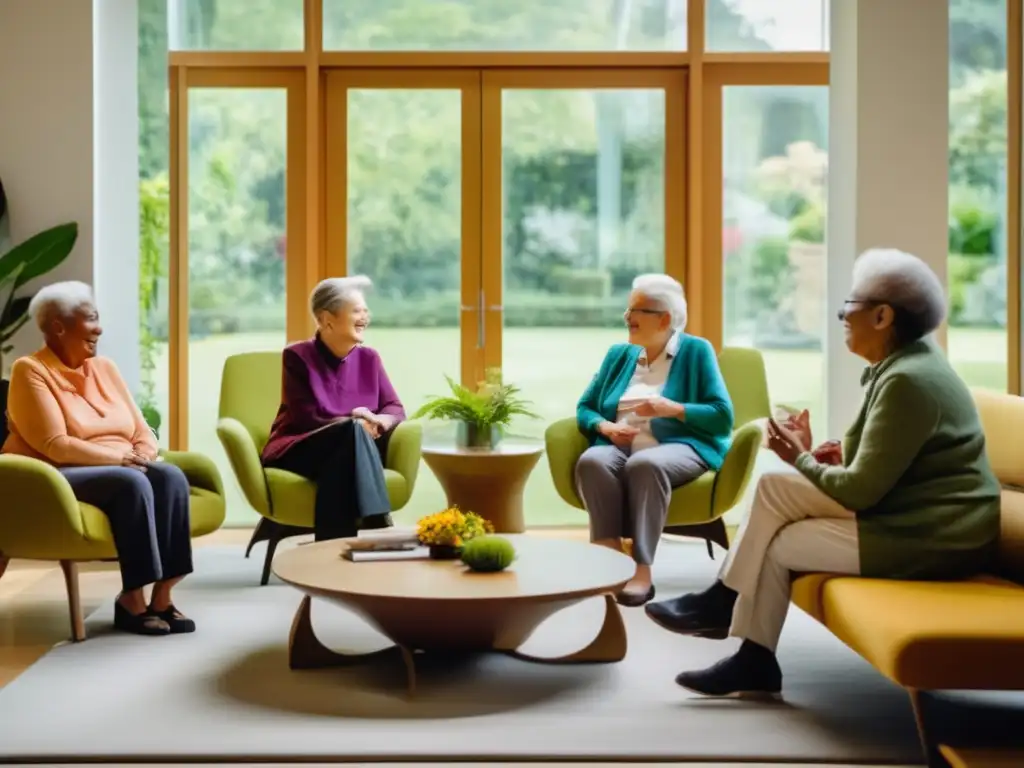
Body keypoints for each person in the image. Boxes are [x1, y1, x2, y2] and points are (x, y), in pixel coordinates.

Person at [646, 248, 1002, 699]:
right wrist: (822, 454)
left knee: (778, 486)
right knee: (780, 536)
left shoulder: (908, 381)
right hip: (914, 515)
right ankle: (753, 657)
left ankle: (724, 601)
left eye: (847, 309)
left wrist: (802, 459)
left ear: (882, 317)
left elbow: (859, 492)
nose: (841, 319)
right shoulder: (907, 366)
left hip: (933, 536)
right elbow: (889, 463)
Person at [2, 281, 194, 637]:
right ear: (58, 326)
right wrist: (120, 458)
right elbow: (56, 444)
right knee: (131, 481)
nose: (99, 328)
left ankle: (163, 597)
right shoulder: (30, 371)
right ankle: (132, 600)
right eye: (90, 319)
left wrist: (144, 451)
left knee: (170, 477)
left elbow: (141, 427)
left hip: (119, 464)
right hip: (59, 473)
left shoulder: (104, 367)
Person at [574, 273, 735, 607]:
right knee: (592, 461)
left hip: (680, 446)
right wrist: (606, 428)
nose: (628, 318)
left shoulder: (696, 351)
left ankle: (641, 568)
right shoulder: (619, 355)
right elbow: (585, 407)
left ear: (664, 319)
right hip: (620, 444)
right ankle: (609, 557)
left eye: (637, 311)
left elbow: (722, 415)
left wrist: (672, 408)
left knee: (645, 464)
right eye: (627, 311)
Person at [261, 275, 404, 540]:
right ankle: (377, 522)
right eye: (357, 311)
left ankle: (331, 551)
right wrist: (355, 423)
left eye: (365, 310)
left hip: (348, 453)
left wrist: (379, 421)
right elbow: (307, 417)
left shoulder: (369, 358)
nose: (365, 317)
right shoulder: (297, 356)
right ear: (328, 319)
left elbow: (394, 407)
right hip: (301, 449)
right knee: (350, 434)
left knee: (340, 464)